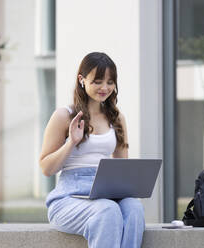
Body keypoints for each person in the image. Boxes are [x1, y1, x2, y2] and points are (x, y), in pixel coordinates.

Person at [39, 52, 145, 248]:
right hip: (69, 198)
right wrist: (71, 142)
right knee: (108, 211)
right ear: (82, 79)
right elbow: (46, 168)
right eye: (97, 81)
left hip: (106, 192)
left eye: (110, 82)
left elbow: (123, 167)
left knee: (134, 208)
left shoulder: (117, 118)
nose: (105, 88)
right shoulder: (64, 116)